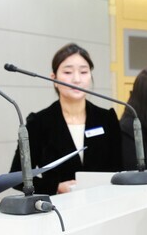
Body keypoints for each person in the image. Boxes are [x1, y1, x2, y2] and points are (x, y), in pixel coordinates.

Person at [9, 43, 122, 195]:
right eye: (68, 72)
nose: (77, 79)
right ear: (54, 78)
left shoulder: (106, 118)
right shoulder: (39, 123)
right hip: (59, 209)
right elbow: (17, 176)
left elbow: (121, 168)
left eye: (83, 72)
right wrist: (55, 187)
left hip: (104, 202)